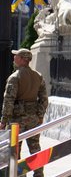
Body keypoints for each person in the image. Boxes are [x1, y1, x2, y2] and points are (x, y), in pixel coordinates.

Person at [0, 48, 48, 177]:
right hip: (33, 119)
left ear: (22, 59)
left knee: (16, 149)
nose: (14, 58)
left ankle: (20, 174)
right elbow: (44, 99)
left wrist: (3, 121)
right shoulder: (38, 76)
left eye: (16, 56)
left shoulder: (14, 77)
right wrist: (40, 116)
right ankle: (39, 173)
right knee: (35, 148)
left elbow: (8, 100)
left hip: (17, 120)